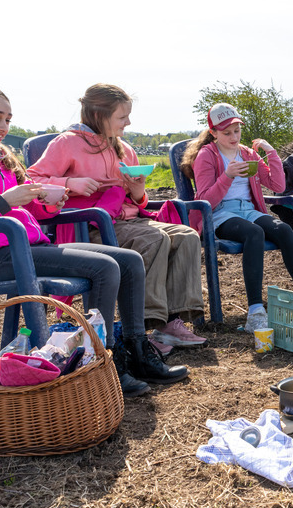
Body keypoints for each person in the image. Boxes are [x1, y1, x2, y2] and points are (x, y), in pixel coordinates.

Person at [0, 81, 187, 397]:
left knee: (128, 261)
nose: (3, 126)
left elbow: (31, 211)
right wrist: (5, 202)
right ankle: (101, 362)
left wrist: (49, 203)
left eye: (7, 118)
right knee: (105, 267)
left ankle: (137, 352)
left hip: (27, 247)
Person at [27, 84, 207, 353]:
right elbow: (31, 180)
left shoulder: (124, 148)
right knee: (153, 238)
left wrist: (137, 190)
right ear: (99, 115)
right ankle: (143, 328)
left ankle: (170, 324)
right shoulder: (67, 143)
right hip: (90, 227)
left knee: (185, 235)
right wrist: (69, 182)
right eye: (122, 117)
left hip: (127, 220)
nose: (128, 122)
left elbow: (138, 201)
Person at [179, 103, 293, 333]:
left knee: (284, 230)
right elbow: (205, 201)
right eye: (226, 133)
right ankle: (255, 312)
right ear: (213, 133)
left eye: (237, 131)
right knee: (254, 232)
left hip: (249, 210)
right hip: (219, 213)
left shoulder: (248, 154)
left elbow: (278, 185)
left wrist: (271, 153)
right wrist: (227, 176)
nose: (233, 137)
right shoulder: (206, 156)